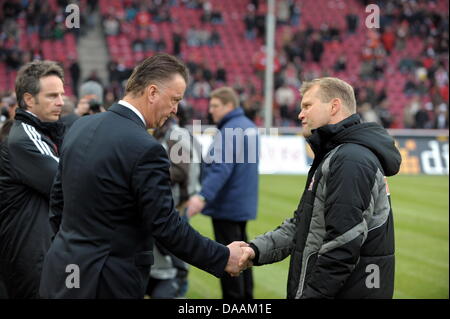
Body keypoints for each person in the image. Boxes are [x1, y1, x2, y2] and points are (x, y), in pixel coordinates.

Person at [39, 53, 247, 299]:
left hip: (60, 273)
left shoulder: (79, 127)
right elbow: (166, 225)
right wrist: (222, 256)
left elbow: (57, 205)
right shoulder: (146, 148)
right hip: (107, 282)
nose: (175, 110)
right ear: (152, 93)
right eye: (174, 99)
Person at [239, 77, 401, 299]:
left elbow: (343, 245)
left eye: (307, 106)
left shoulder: (350, 159)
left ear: (334, 106)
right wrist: (256, 250)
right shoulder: (336, 155)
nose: (300, 114)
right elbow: (303, 225)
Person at [0, 60, 65, 298]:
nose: (60, 102)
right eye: (52, 96)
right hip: (31, 258)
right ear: (29, 99)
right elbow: (69, 184)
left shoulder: (41, 131)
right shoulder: (24, 138)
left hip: (37, 255)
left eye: (61, 94)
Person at [187, 87, 259, 299]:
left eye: (215, 106)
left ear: (229, 106)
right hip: (242, 202)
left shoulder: (230, 130)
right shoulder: (248, 126)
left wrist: (203, 196)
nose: (211, 110)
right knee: (245, 256)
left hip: (226, 205)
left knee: (230, 258)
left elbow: (221, 167)